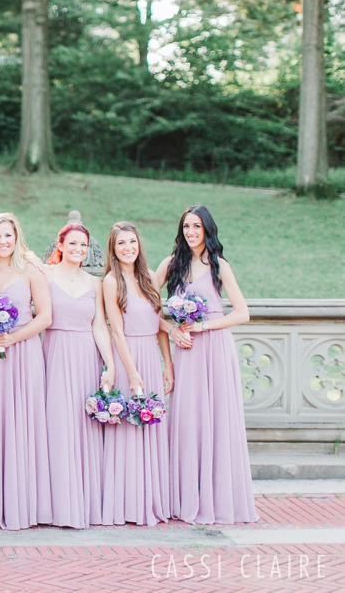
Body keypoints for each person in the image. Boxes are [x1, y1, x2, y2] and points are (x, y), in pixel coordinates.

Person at [156, 206, 257, 525]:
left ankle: (217, 498)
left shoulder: (219, 265)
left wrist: (205, 326)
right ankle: (183, 498)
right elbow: (145, 306)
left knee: (216, 419)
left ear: (207, 229)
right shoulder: (170, 265)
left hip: (214, 349)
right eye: (186, 226)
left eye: (197, 226)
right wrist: (171, 330)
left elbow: (242, 313)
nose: (190, 232)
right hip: (185, 351)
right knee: (187, 420)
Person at [0, 213, 52, 530]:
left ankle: (22, 503)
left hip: (23, 354)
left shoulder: (31, 270)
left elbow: (45, 316)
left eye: (8, 235)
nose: (3, 242)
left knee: (21, 423)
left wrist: (14, 336)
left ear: (17, 237)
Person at [43, 223, 115, 529]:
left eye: (83, 245)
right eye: (72, 243)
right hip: (55, 354)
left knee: (84, 429)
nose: (78, 249)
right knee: (58, 425)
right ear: (60, 245)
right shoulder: (45, 276)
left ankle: (84, 503)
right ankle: (56, 504)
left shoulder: (95, 283)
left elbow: (100, 325)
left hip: (86, 355)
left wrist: (109, 366)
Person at [101, 222, 173, 526]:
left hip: (150, 358)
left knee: (152, 428)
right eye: (121, 243)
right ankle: (127, 504)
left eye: (132, 242)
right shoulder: (110, 282)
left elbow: (159, 325)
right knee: (130, 429)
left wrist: (166, 364)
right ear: (113, 249)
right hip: (128, 355)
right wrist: (131, 373)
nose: (128, 248)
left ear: (138, 245)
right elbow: (116, 331)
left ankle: (152, 500)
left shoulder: (150, 279)